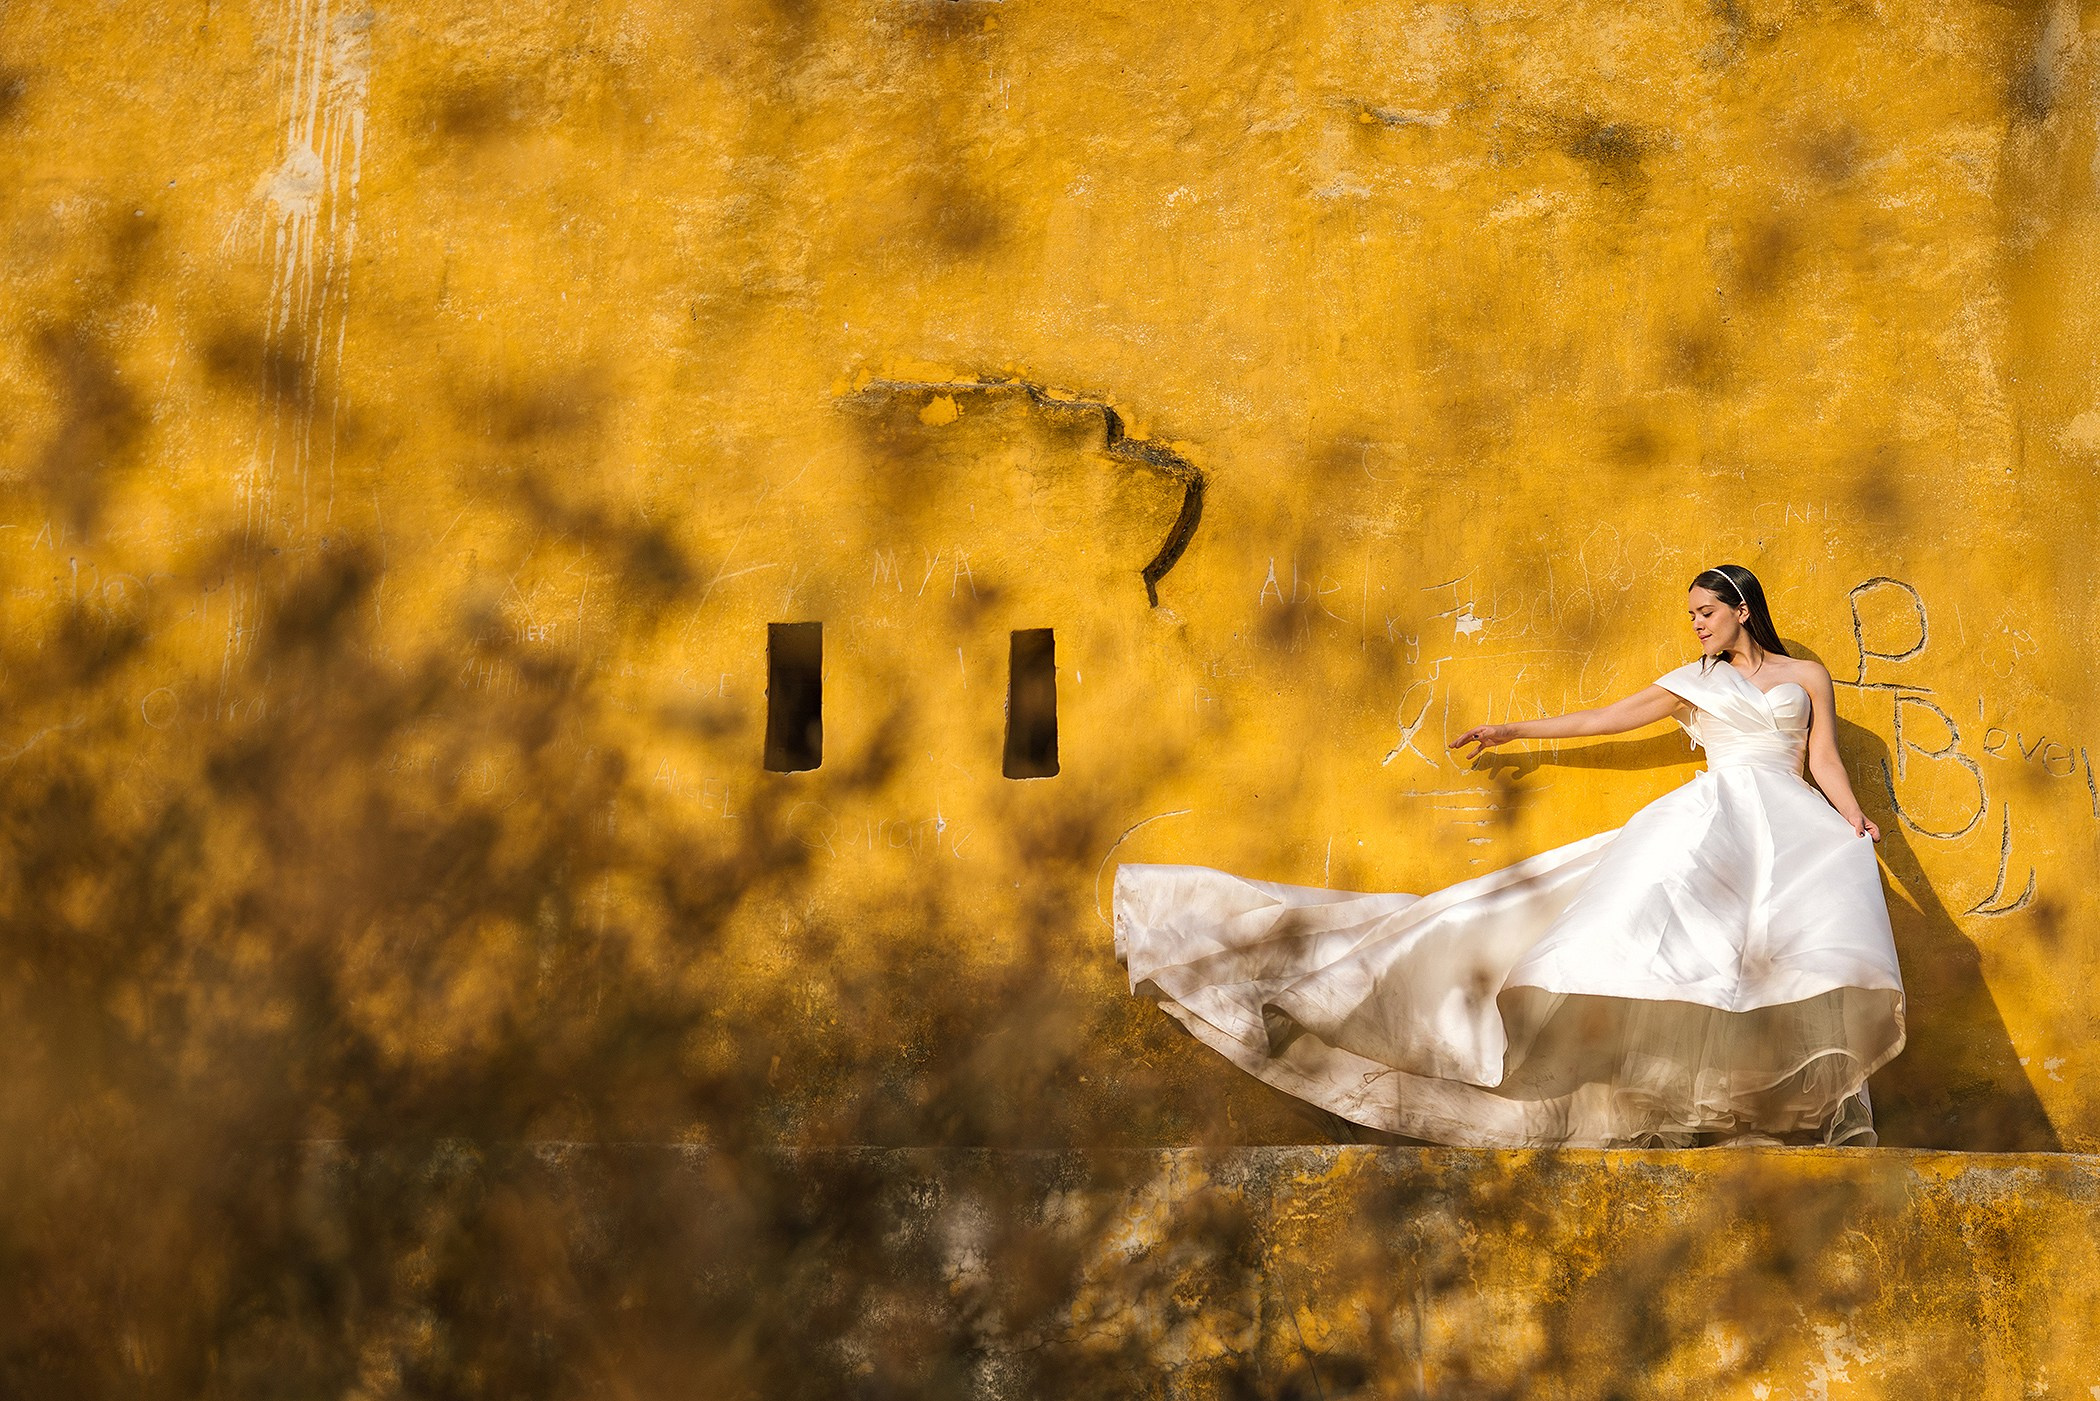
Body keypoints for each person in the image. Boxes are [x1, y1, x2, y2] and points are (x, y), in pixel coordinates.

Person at [1112, 565, 1906, 1147]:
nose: (1697, 624)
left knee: (1788, 953)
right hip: (1717, 818)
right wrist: (1516, 730)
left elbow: (1824, 758)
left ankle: (1772, 1107)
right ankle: (1669, 1103)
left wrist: (1854, 820)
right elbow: (1607, 718)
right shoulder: (1691, 682)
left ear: (1741, 609)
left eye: (1707, 612)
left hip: (1793, 823)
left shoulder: (1806, 675)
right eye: (1691, 614)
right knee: (1684, 954)